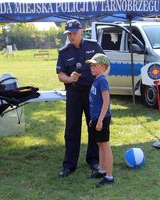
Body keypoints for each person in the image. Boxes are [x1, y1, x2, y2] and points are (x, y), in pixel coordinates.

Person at [56, 19, 104, 178]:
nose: (71, 36)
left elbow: (105, 65)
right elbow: (60, 74)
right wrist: (70, 79)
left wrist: (100, 78)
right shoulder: (64, 52)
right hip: (74, 93)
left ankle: (94, 160)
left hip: (92, 93)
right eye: (68, 33)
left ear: (82, 31)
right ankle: (69, 164)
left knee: (94, 126)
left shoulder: (93, 46)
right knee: (71, 129)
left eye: (74, 33)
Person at [86, 53, 114, 187]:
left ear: (102, 66)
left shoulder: (102, 80)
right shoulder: (97, 79)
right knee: (100, 145)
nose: (91, 67)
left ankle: (109, 176)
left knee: (105, 146)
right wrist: (94, 118)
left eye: (94, 65)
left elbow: (106, 101)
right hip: (96, 118)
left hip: (102, 118)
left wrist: (100, 120)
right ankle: (102, 170)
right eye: (91, 65)